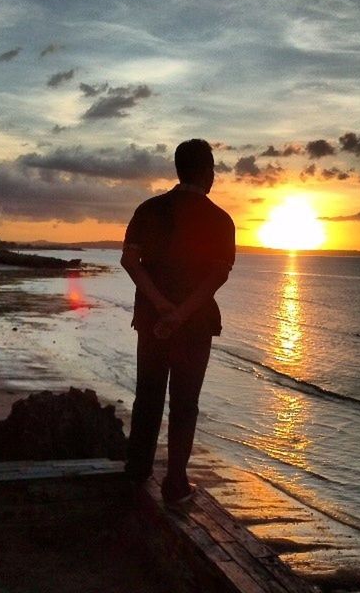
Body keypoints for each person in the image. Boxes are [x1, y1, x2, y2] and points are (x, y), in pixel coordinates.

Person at [121, 139, 235, 505]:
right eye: (213, 168)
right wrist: (181, 313)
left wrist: (161, 306)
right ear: (206, 172)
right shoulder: (219, 219)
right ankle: (175, 483)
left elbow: (129, 261)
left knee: (148, 396)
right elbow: (217, 276)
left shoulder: (149, 209)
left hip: (152, 320)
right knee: (185, 403)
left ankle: (137, 472)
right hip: (195, 324)